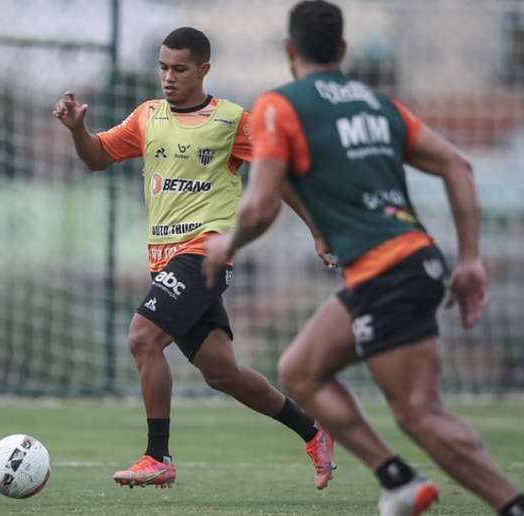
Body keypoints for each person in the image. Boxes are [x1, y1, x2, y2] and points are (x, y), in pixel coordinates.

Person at [203, 1, 524, 515]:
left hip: (389, 271)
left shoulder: (278, 106)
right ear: (343, 49)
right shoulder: (380, 106)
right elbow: (458, 167)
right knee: (300, 370)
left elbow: (262, 206)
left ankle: (513, 505)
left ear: (291, 50)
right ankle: (397, 480)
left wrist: (227, 243)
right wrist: (469, 260)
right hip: (405, 263)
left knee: (420, 414)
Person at [53, 26, 335, 490]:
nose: (169, 77)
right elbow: (98, 158)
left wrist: (317, 230)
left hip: (206, 254)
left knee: (143, 337)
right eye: (163, 67)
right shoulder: (147, 117)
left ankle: (156, 455)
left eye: (180, 69)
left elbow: (277, 177)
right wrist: (78, 130)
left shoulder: (231, 121)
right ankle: (314, 432)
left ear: (203, 70)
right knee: (222, 373)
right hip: (165, 261)